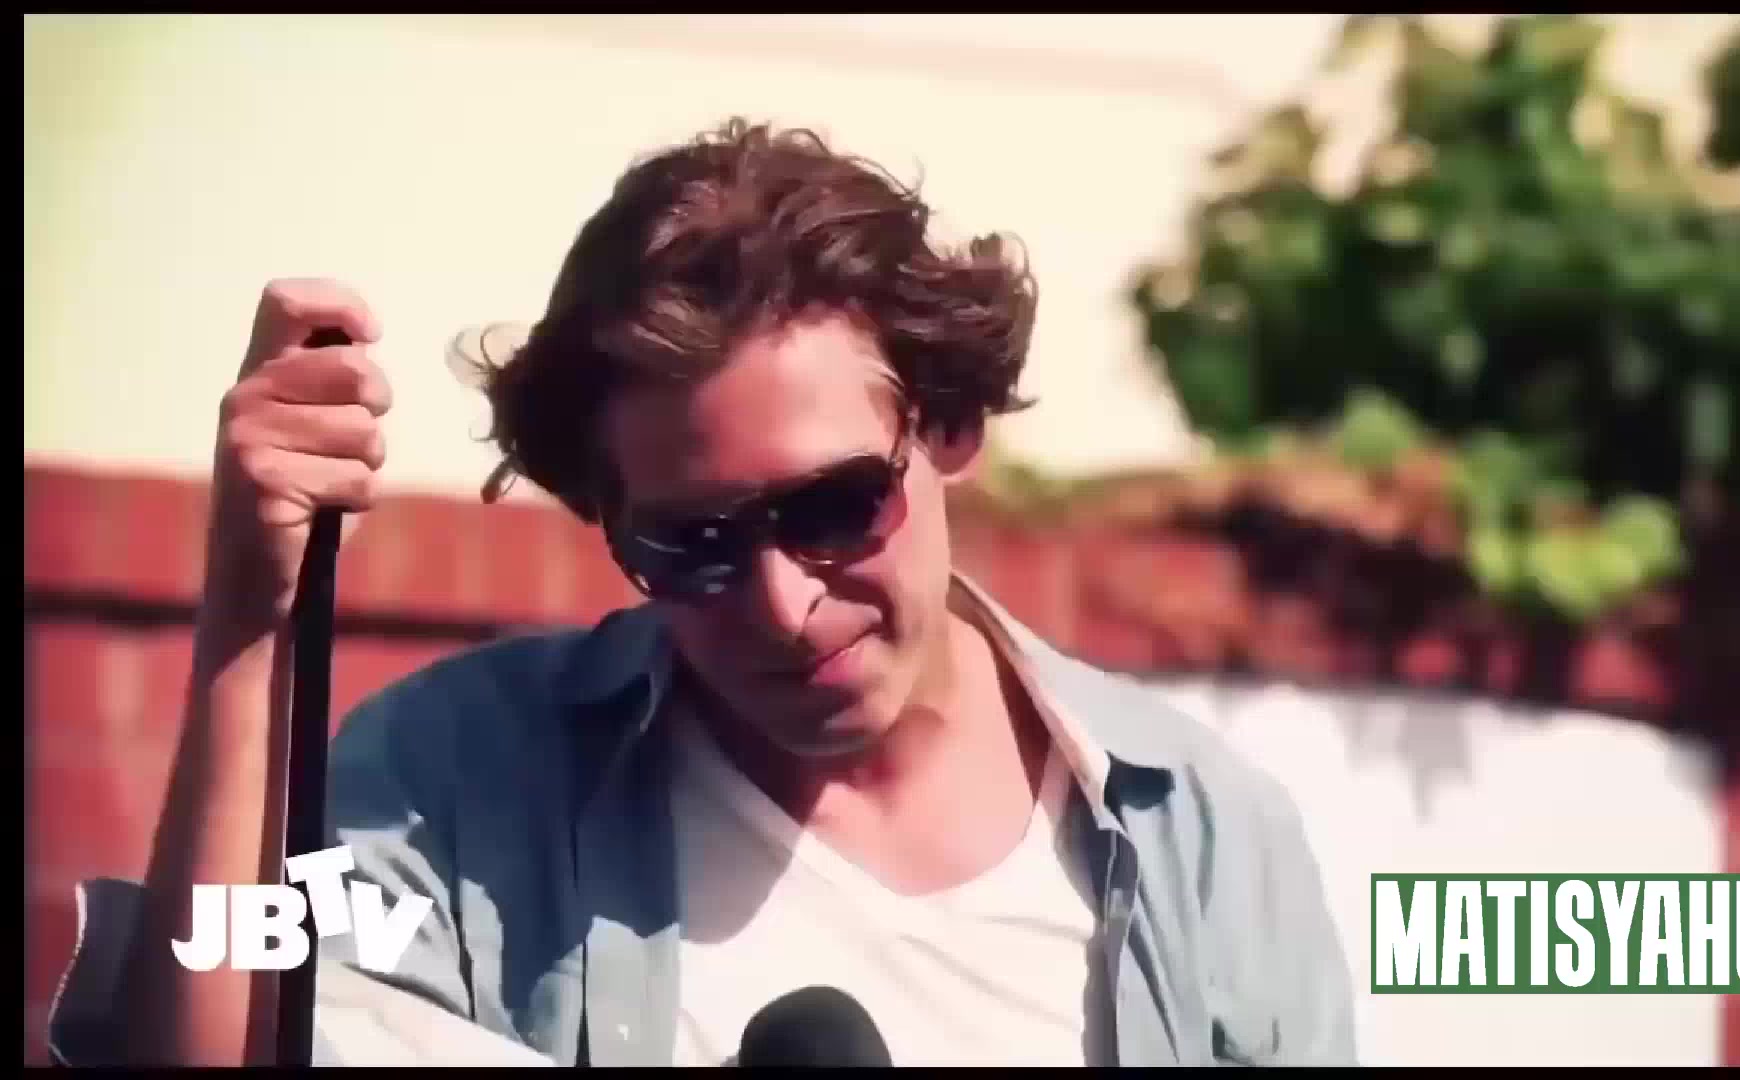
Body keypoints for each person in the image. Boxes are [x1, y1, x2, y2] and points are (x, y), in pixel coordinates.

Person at [45, 119, 1356, 1067]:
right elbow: (228, 1008)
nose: (782, 604)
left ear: (951, 426)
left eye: (835, 508)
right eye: (692, 546)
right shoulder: (458, 797)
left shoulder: (1208, 844)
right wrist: (252, 621)